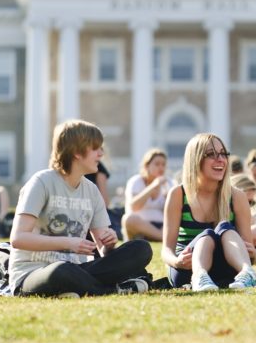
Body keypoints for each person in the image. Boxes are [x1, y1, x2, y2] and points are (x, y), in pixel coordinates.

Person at [9, 120, 152, 297]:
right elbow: (18, 238)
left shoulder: (91, 191)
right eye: (95, 148)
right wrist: (68, 243)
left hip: (79, 270)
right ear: (77, 152)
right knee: (61, 271)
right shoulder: (41, 182)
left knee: (141, 249)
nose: (101, 154)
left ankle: (74, 289)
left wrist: (109, 243)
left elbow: (103, 250)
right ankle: (113, 290)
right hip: (33, 272)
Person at [162, 134, 256, 291]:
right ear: (195, 159)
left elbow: (248, 250)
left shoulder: (237, 196)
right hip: (187, 270)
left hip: (226, 269)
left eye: (223, 154)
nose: (220, 159)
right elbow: (166, 250)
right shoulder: (178, 194)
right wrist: (177, 261)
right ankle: (200, 276)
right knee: (207, 234)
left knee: (224, 227)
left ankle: (246, 273)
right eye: (211, 154)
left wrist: (253, 256)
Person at [122, 148, 171, 242]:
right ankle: (163, 238)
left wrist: (168, 198)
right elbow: (134, 207)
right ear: (147, 166)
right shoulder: (136, 181)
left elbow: (172, 213)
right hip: (140, 225)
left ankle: (159, 236)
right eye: (157, 164)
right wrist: (153, 186)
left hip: (162, 225)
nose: (161, 168)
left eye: (163, 164)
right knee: (128, 219)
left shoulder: (169, 183)